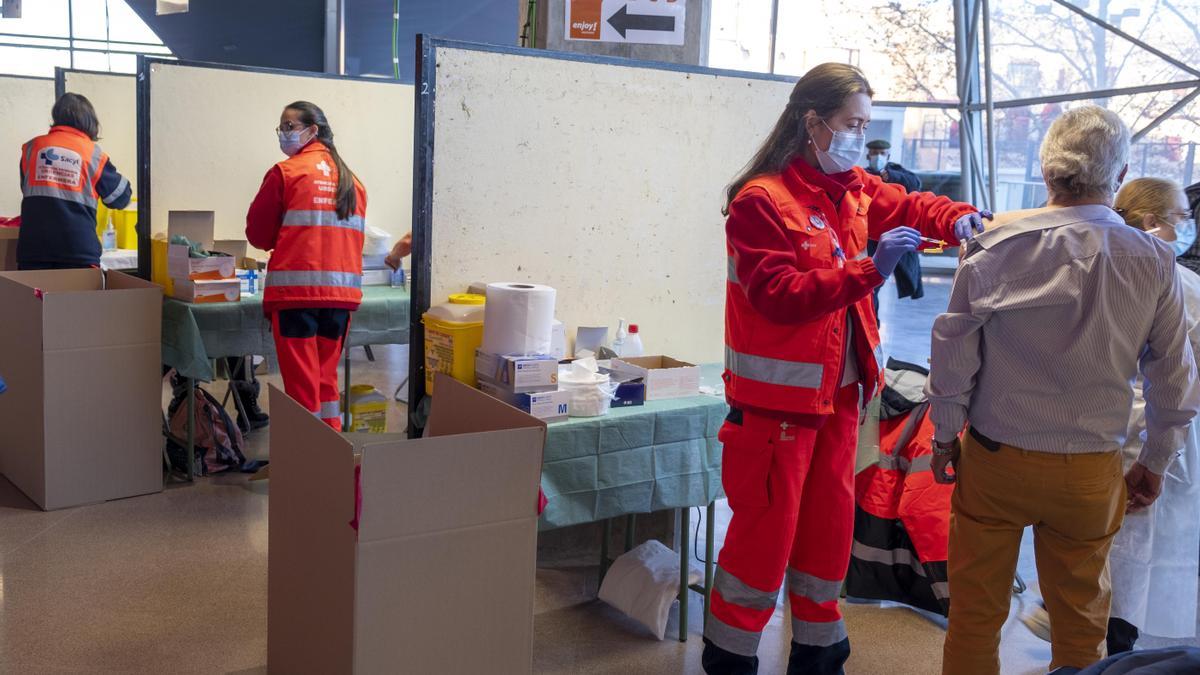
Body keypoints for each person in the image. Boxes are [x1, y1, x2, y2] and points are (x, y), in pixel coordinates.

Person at [707, 62, 989, 675]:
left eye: (864, 123)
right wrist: (870, 270)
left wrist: (956, 217)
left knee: (827, 534)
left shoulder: (852, 189)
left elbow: (911, 203)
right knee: (763, 539)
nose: (860, 135)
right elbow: (777, 293)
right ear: (813, 124)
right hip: (775, 408)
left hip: (839, 400)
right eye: (851, 123)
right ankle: (728, 658)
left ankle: (819, 650)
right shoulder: (762, 201)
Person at [925, 106, 1200, 675]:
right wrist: (1155, 459)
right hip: (1091, 469)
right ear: (1119, 176)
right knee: (1081, 624)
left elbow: (953, 357)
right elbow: (1174, 377)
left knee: (975, 614)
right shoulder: (1154, 260)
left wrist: (947, 437)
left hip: (997, 462)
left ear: (1048, 173)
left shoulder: (992, 246)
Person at [246, 101, 366, 431]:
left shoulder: (287, 173)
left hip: (296, 297)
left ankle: (306, 462)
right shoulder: (353, 182)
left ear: (312, 130)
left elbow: (257, 234)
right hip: (340, 300)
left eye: (288, 126)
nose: (283, 133)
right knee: (326, 381)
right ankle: (331, 457)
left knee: (301, 388)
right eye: (281, 128)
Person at [16, 93, 132, 270]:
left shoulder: (32, 148)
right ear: (90, 121)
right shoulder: (92, 154)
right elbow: (121, 198)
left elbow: (26, 187)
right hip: (77, 253)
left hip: (33, 252)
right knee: (76, 299)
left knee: (34, 298)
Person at [865, 139, 925, 310]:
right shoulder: (863, 174)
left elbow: (915, 183)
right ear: (868, 155)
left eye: (882, 153)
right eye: (875, 153)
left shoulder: (895, 172)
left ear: (888, 156)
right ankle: (872, 323)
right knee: (871, 285)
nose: (878, 156)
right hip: (869, 237)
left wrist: (892, 176)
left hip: (892, 234)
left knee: (877, 282)